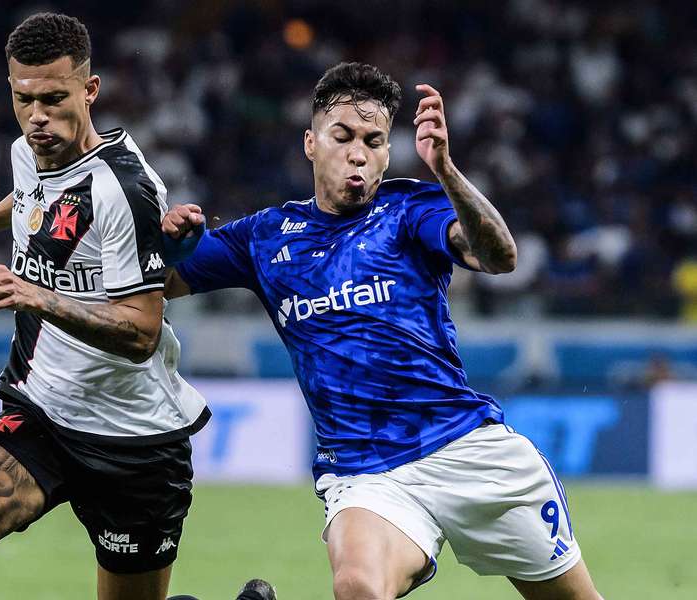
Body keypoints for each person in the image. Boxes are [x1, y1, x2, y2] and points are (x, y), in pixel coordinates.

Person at [162, 62, 604, 599]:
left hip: (468, 447)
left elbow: (499, 256)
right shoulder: (265, 237)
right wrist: (173, 240)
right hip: (366, 471)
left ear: (387, 153)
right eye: (342, 136)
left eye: (374, 140)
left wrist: (445, 170)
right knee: (358, 589)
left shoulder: (410, 208)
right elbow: (160, 282)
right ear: (311, 143)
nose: (358, 152)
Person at [0, 13, 218, 600]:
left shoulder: (124, 191)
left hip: (133, 440)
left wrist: (36, 295)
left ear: (90, 90)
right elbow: (30, 196)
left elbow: (141, 332)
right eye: (25, 100)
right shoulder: (28, 149)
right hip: (41, 414)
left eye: (54, 98)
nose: (38, 117)